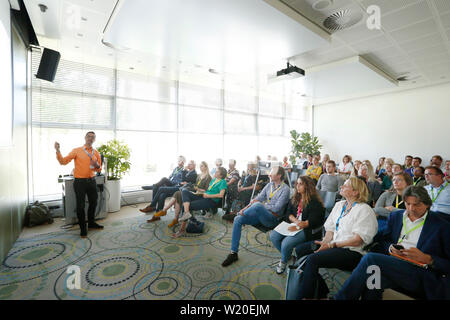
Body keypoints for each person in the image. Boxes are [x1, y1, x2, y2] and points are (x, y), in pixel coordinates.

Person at [334, 186, 450, 300]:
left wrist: (428, 259)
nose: (411, 208)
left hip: (419, 272)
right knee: (373, 279)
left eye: (417, 204)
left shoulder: (441, 225)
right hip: (395, 264)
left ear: (427, 204)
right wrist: (390, 248)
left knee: (371, 259)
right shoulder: (396, 216)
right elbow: (383, 241)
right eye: (408, 204)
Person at [291, 177, 378, 299]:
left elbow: (358, 240)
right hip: (333, 244)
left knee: (312, 260)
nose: (341, 187)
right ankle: (321, 291)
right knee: (301, 250)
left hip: (351, 251)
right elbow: (330, 229)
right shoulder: (339, 205)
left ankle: (305, 296)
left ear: (355, 192)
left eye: (346, 186)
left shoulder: (364, 210)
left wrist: (332, 245)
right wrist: (325, 242)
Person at [221, 166, 290, 267]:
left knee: (258, 205)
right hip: (260, 215)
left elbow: (276, 208)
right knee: (238, 219)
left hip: (273, 219)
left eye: (272, 172)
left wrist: (262, 205)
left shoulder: (285, 189)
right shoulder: (269, 185)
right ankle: (233, 253)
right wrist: (244, 209)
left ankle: (236, 213)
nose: (269, 174)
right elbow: (257, 198)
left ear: (279, 175)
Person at [270, 176, 325, 274]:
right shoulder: (295, 198)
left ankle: (283, 261)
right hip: (295, 225)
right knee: (273, 236)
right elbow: (288, 213)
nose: (297, 186)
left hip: (307, 230)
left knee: (286, 243)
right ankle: (288, 256)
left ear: (307, 186)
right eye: (297, 184)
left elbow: (315, 220)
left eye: (301, 184)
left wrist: (303, 224)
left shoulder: (315, 202)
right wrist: (296, 221)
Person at [55, 131, 103, 238]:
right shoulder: (77, 151)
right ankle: (83, 229)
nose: (90, 138)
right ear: (85, 138)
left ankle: (91, 223)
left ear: (94, 140)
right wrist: (58, 150)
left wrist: (96, 165)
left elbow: (99, 168)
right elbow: (63, 161)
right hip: (79, 182)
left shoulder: (96, 152)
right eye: (89, 136)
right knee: (80, 206)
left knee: (93, 203)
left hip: (92, 181)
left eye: (93, 137)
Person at [172, 167, 228, 238]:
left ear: (221, 175)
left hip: (211, 201)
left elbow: (221, 195)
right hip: (204, 196)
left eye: (217, 172)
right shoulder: (214, 180)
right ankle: (187, 213)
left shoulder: (223, 182)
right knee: (185, 191)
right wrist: (199, 191)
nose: (215, 172)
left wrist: (208, 196)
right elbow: (207, 191)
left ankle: (182, 230)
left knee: (186, 206)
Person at [152, 161, 212, 225]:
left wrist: (197, 188)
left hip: (199, 194)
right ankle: (174, 218)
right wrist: (189, 184)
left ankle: (165, 211)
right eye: (200, 166)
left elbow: (206, 190)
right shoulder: (199, 175)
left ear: (206, 167)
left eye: (202, 166)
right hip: (194, 191)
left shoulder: (208, 177)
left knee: (183, 191)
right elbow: (194, 184)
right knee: (177, 193)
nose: (200, 167)